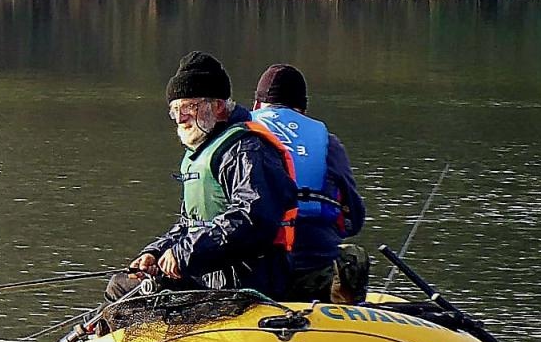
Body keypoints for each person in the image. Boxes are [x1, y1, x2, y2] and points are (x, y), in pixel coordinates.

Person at [108, 51, 298, 301]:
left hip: (248, 280)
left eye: (189, 107)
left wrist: (185, 254)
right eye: (175, 109)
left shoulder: (247, 149)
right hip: (209, 276)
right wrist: (155, 252)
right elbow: (189, 225)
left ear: (218, 107)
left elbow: (253, 219)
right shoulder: (200, 154)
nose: (181, 117)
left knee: (139, 296)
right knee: (122, 285)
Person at [248, 63, 368, 303]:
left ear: (257, 106)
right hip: (315, 271)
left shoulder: (237, 137)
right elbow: (354, 219)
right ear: (302, 109)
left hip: (253, 275)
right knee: (355, 257)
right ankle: (344, 319)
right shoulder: (328, 144)